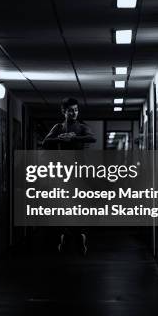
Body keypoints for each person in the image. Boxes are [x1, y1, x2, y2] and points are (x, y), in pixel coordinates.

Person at [41, 97, 96, 255]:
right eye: (71, 110)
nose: (74, 113)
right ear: (64, 111)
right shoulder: (58, 127)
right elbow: (45, 142)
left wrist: (74, 138)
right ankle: (68, 234)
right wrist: (59, 138)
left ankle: (79, 234)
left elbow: (92, 138)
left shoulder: (81, 127)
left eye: (76, 110)